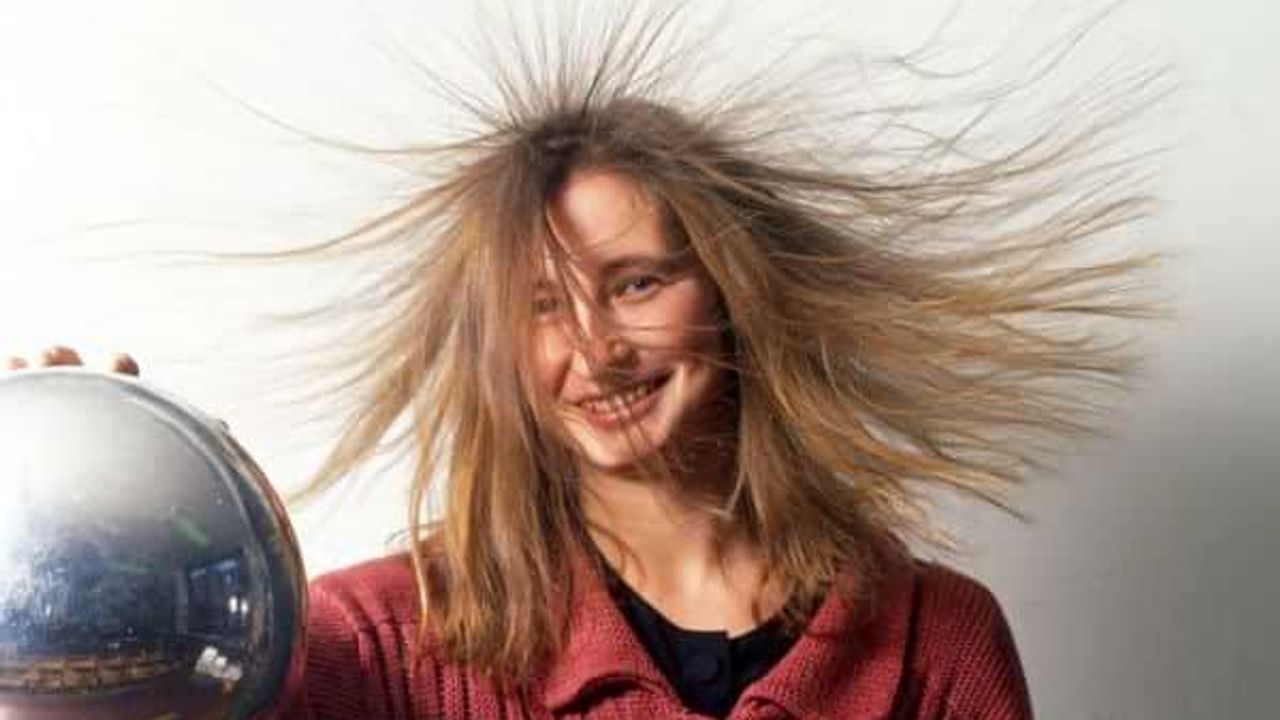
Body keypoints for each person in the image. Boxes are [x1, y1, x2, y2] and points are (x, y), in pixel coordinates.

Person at [7, 6, 1161, 718]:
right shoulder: (381, 643)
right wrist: (82, 556)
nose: (593, 350)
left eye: (637, 283)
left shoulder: (933, 645)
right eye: (540, 307)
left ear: (734, 294)